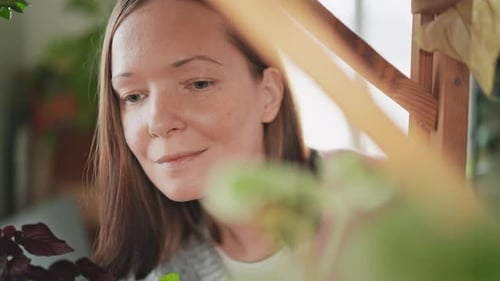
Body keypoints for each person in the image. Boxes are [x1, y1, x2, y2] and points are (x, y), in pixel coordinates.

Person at [92, 0, 317, 280]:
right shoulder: (149, 273)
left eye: (198, 83)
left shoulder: (370, 218)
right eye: (133, 96)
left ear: (268, 94)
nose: (159, 123)